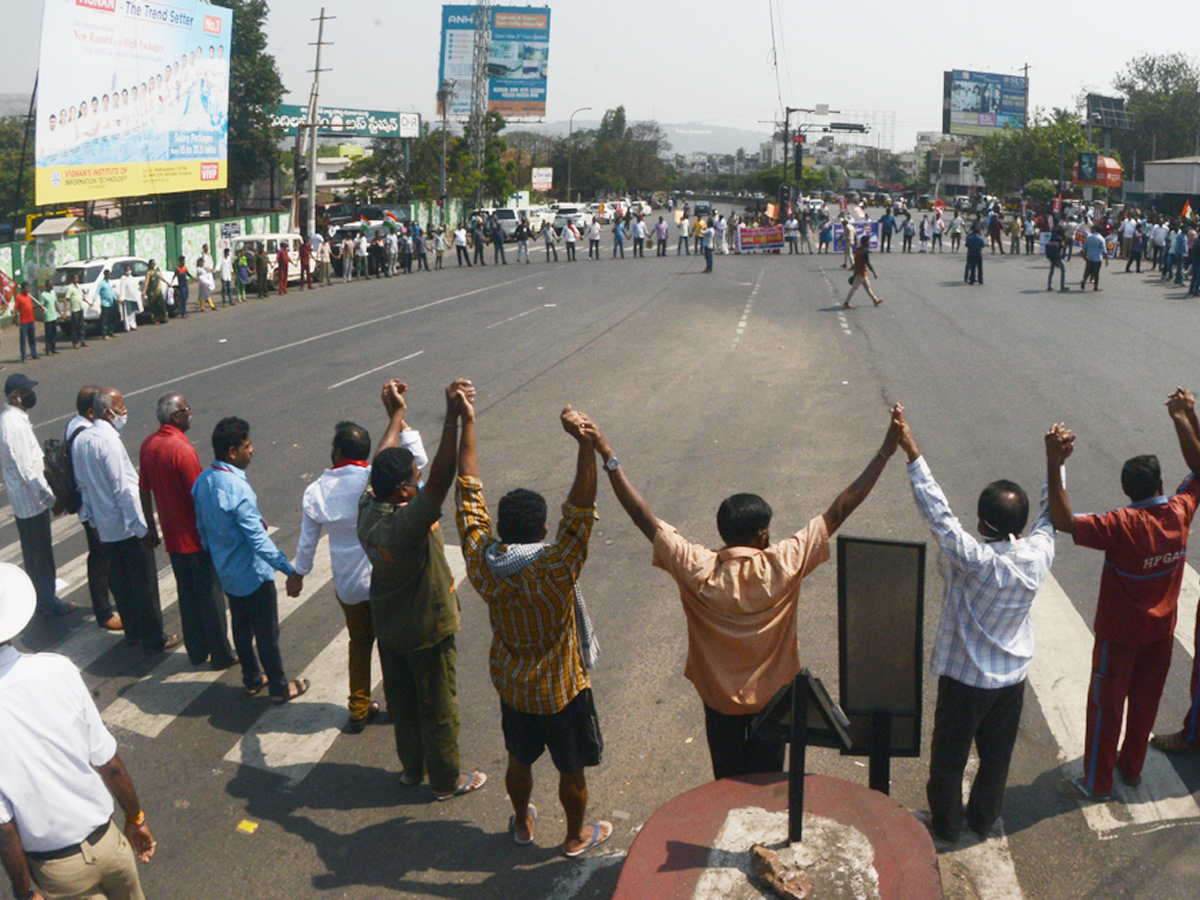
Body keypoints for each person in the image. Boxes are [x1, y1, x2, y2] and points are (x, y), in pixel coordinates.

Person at [592, 405, 901, 780]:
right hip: (773, 701)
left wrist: (608, 455)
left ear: (722, 531)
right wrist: (885, 452)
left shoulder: (696, 568)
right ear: (763, 535)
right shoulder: (781, 564)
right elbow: (840, 509)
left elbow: (643, 516)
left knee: (726, 779)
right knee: (766, 779)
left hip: (718, 702)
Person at [455, 396, 610, 856]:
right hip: (562, 690)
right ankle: (575, 835)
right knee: (572, 769)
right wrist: (584, 445)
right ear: (543, 531)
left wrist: (467, 420)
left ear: (499, 527)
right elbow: (581, 511)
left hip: (514, 688)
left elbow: (468, 493)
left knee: (519, 760)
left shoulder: (483, 563)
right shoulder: (557, 567)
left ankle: (522, 821)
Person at [893, 408, 1056, 844]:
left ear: (983, 524)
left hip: (966, 680)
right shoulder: (1038, 556)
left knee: (949, 759)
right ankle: (984, 820)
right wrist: (1055, 463)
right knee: (996, 758)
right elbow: (1051, 516)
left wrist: (911, 450)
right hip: (1011, 681)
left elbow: (939, 514)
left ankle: (947, 824)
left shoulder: (975, 562)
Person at [1050, 390, 1200, 799]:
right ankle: (1131, 769)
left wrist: (1054, 462)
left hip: (1119, 638)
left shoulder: (1121, 524)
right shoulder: (1180, 511)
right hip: (1161, 633)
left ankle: (1097, 782)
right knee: (1144, 708)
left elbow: (1063, 519)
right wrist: (1185, 418)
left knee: (1106, 709)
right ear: (1161, 485)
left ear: (1126, 490)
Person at [357, 379, 487, 801]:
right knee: (438, 707)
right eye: (412, 478)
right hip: (426, 627)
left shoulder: (369, 507)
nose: (418, 480)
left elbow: (382, 460)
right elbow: (442, 479)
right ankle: (446, 780)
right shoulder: (405, 523)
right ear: (403, 492)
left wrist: (396, 415)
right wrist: (452, 419)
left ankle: (412, 770)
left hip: (390, 626)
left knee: (404, 704)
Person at [0, 564, 157, 900]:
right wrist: (136, 818)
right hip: (110, 844)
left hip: (59, 870)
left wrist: (24, 891)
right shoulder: (57, 668)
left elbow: (4, 827)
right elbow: (108, 762)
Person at [289, 401, 427, 732]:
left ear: (337, 451)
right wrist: (399, 418)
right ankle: (396, 704)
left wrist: (298, 575)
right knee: (390, 645)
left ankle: (358, 707)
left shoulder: (316, 491)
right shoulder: (373, 479)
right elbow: (417, 463)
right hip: (383, 578)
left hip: (348, 586)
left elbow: (307, 543)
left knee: (359, 643)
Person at [192, 417, 307, 703]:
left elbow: (202, 527)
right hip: (253, 575)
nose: (252, 450)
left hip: (228, 573)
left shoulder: (202, 482)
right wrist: (289, 569)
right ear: (232, 452)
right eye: (247, 446)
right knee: (267, 634)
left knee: (241, 629)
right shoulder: (236, 489)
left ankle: (252, 679)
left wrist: (215, 554)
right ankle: (280, 687)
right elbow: (258, 540)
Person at [73, 388, 178, 654]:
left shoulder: (81, 440)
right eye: (120, 407)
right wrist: (142, 529)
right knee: (144, 586)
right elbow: (124, 490)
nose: (124, 411)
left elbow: (83, 487)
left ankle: (132, 632)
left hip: (106, 529)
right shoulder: (109, 442)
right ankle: (154, 638)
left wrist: (92, 522)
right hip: (125, 528)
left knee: (122, 585)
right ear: (107, 412)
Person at [139, 394, 236, 670]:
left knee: (188, 596)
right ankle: (221, 653)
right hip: (194, 537)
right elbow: (200, 497)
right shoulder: (182, 450)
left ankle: (197, 650)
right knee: (210, 596)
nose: (190, 413)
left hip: (171, 536)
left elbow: (143, 489)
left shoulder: (149, 445)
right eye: (186, 409)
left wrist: (150, 525)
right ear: (175, 417)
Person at [0, 375, 72, 618]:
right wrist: (52, 500)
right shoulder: (15, 425)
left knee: (36, 555)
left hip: (26, 501)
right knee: (40, 557)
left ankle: (43, 600)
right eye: (26, 391)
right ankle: (46, 603)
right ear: (14, 396)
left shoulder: (13, 420)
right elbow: (28, 471)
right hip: (30, 503)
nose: (31, 394)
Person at [66, 386, 120, 632]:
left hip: (91, 509)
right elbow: (86, 481)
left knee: (101, 558)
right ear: (90, 411)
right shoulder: (84, 434)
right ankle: (104, 612)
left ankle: (108, 606)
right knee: (101, 559)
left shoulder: (74, 425)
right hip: (93, 510)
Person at [844, 234, 882, 308]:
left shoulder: (858, 250)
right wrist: (874, 273)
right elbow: (868, 264)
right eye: (868, 242)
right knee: (854, 288)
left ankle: (875, 300)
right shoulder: (864, 252)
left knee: (868, 287)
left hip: (860, 271)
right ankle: (846, 302)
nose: (869, 243)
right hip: (860, 273)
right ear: (865, 242)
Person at [11, 286, 37, 363]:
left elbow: (30, 306)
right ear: (22, 289)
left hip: (31, 320)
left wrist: (37, 307)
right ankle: (23, 357)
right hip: (24, 322)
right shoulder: (19, 297)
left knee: (32, 338)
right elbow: (16, 307)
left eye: (28, 288)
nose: (28, 290)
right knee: (23, 340)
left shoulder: (29, 296)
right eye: (26, 288)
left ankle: (34, 354)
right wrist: (13, 311)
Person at [65, 273, 88, 349]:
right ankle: (75, 342)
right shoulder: (70, 288)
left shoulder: (78, 286)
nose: (77, 279)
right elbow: (66, 299)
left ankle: (82, 341)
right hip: (74, 310)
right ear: (72, 279)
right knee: (74, 327)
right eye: (75, 278)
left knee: (81, 326)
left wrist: (88, 303)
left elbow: (81, 297)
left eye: (77, 278)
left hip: (80, 308)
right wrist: (65, 312)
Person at [37, 282, 58, 356]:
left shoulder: (53, 293)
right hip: (48, 317)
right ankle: (48, 349)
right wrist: (42, 313)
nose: (51, 286)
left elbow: (55, 303)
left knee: (54, 333)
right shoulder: (43, 295)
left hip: (54, 316)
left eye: (52, 284)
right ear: (46, 286)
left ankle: (53, 348)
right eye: (50, 285)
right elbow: (42, 306)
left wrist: (59, 312)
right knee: (48, 334)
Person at [1046, 228, 1068, 292]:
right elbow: (1061, 247)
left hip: (1052, 257)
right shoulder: (1059, 238)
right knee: (1063, 270)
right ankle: (1062, 285)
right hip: (1058, 257)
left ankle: (1049, 285)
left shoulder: (1052, 238)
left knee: (1051, 272)